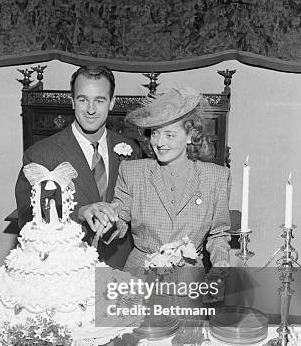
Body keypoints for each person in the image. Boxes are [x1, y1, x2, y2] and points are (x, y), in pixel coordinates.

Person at [79, 86, 231, 272]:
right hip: (140, 276)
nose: (159, 143)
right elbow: (119, 215)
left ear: (190, 136)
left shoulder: (216, 177)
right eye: (155, 133)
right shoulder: (133, 171)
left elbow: (218, 234)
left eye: (170, 135)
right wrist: (108, 221)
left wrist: (221, 263)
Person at [15, 65, 141, 268]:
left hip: (118, 266)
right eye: (83, 100)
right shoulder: (40, 154)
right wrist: (77, 213)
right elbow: (27, 219)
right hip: (64, 268)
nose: (91, 110)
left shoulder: (130, 150)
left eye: (99, 100)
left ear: (112, 103)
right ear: (72, 101)